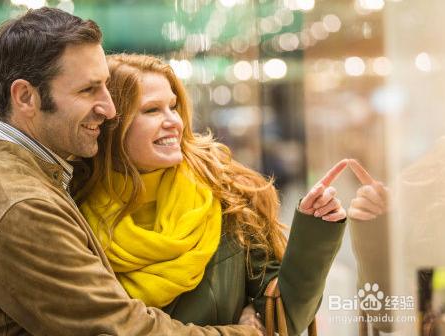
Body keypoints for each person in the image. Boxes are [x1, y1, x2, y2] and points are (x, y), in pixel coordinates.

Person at [0, 8, 263, 336]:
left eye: (106, 88)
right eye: (88, 90)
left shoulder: (38, 178)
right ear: (26, 97)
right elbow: (120, 330)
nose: (110, 110)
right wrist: (248, 333)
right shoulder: (20, 204)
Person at [77, 53, 349, 335]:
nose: (174, 121)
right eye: (152, 110)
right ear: (112, 123)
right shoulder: (73, 209)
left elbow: (285, 316)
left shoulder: (226, 193)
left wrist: (314, 231)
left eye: (173, 106)